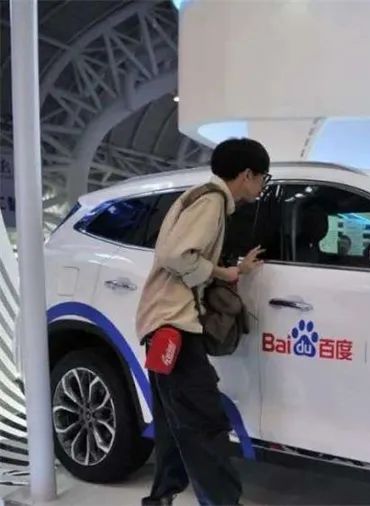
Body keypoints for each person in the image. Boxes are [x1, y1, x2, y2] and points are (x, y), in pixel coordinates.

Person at [136, 138, 270, 506]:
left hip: (163, 324)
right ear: (247, 175)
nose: (261, 185)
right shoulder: (211, 201)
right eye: (263, 177)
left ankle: (161, 498)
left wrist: (233, 271)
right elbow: (175, 255)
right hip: (174, 325)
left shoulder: (201, 198)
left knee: (174, 420)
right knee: (205, 421)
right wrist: (222, 273)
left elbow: (184, 255)